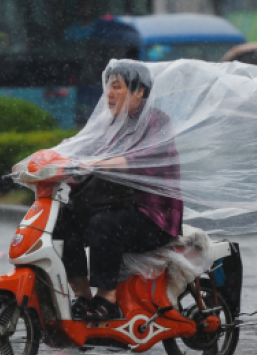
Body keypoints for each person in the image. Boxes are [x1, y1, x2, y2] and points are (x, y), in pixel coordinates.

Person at [53, 60, 183, 321]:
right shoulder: (108, 124)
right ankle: (82, 297)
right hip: (115, 205)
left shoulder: (156, 121)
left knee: (105, 224)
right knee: (64, 220)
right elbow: (77, 149)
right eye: (108, 87)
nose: (109, 94)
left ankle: (107, 298)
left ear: (140, 92)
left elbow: (144, 159)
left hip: (152, 217)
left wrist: (95, 164)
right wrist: (42, 162)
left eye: (117, 87)